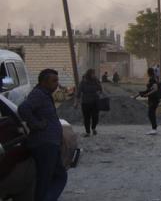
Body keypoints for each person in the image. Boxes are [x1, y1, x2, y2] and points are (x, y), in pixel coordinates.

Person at [17, 69, 67, 201]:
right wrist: (36, 124)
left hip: (51, 143)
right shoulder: (38, 94)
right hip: (44, 143)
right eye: (54, 81)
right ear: (44, 82)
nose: (57, 84)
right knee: (48, 179)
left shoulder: (45, 95)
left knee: (56, 177)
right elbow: (23, 108)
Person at [74, 69, 103, 137]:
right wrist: (76, 102)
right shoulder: (83, 82)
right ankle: (87, 132)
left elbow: (100, 89)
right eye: (92, 73)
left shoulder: (96, 80)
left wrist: (98, 93)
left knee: (95, 117)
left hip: (95, 102)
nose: (94, 75)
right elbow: (78, 93)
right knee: (86, 118)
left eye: (94, 73)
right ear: (89, 74)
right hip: (85, 103)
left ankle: (93, 128)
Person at [139, 68, 159, 135]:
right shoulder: (152, 79)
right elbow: (149, 89)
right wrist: (143, 93)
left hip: (154, 99)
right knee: (151, 113)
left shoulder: (153, 79)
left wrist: (147, 94)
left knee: (151, 113)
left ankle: (154, 129)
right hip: (152, 99)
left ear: (148, 73)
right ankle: (154, 128)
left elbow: (155, 89)